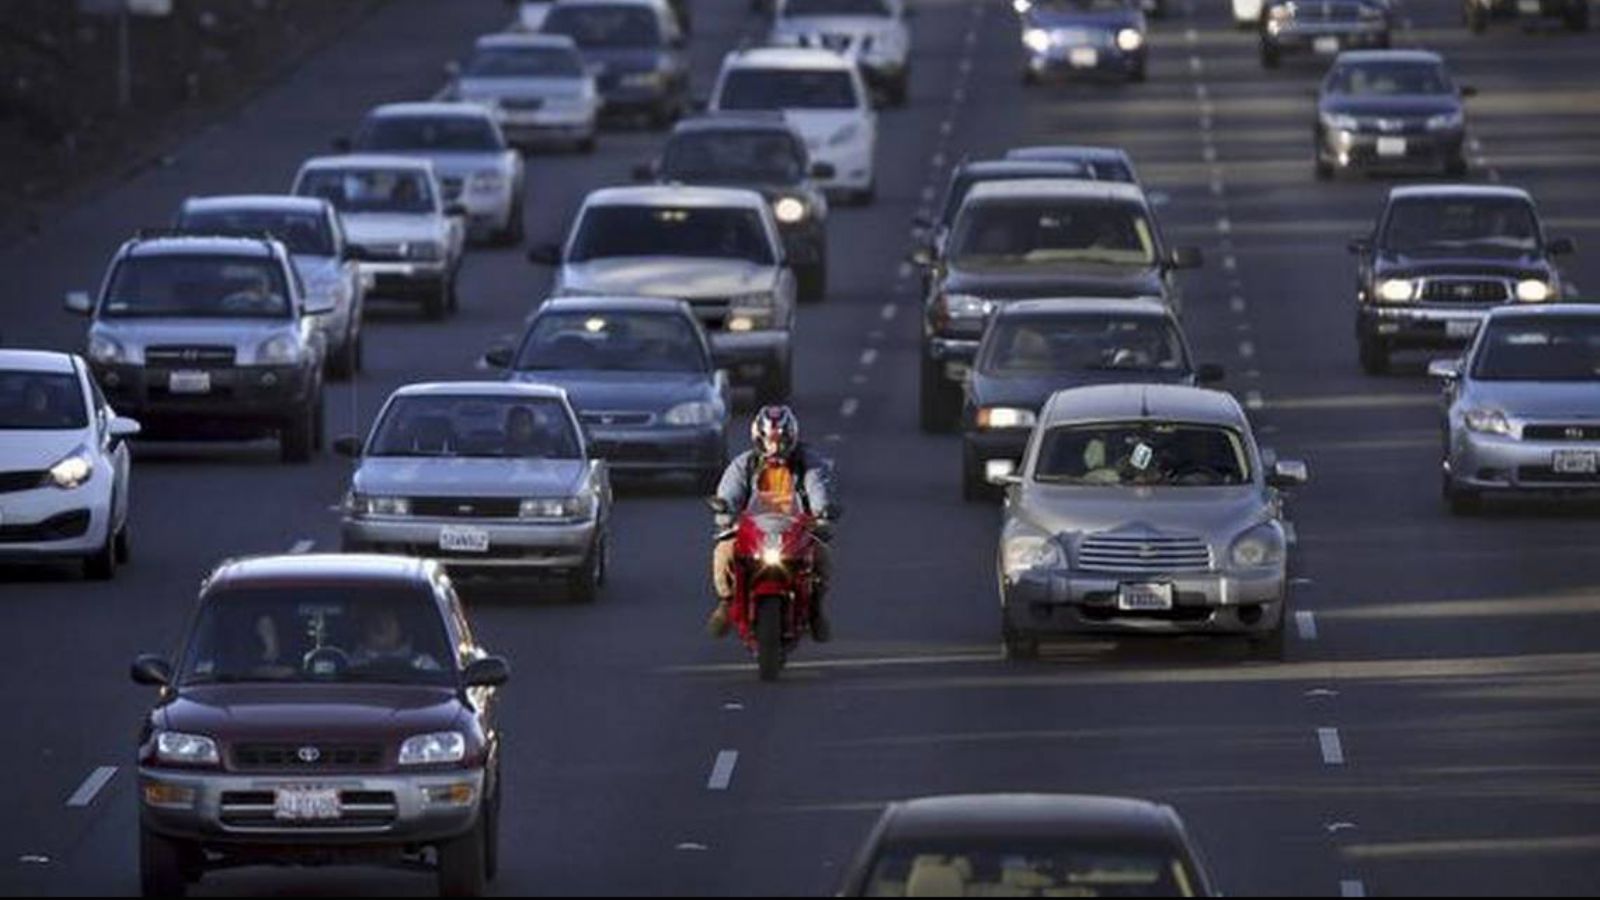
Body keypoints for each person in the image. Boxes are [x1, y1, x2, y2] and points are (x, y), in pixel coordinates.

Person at [707, 406, 838, 642]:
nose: (775, 447)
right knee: (723, 553)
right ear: (759, 439)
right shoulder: (744, 464)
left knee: (823, 557)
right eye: (769, 441)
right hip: (754, 532)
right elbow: (728, 493)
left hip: (796, 531)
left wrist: (822, 513)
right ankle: (726, 603)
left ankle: (816, 610)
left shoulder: (808, 463)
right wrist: (725, 511)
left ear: (792, 438)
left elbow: (818, 488)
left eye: (781, 441)